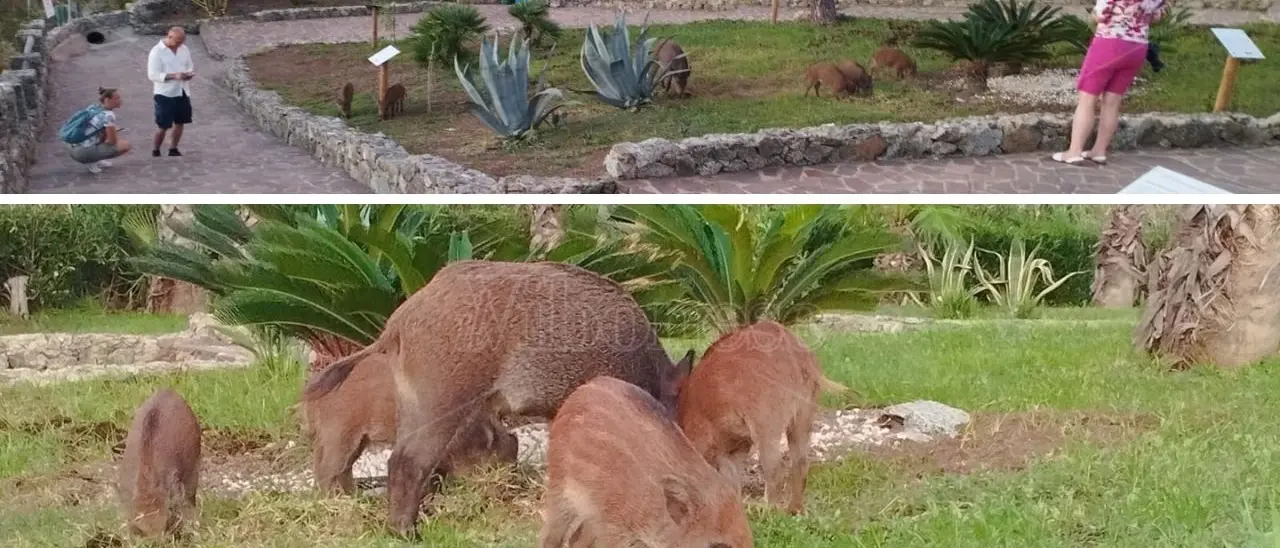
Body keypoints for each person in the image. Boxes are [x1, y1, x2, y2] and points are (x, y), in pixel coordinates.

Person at [1052, 0, 1166, 166]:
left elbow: (1100, 15)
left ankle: (1074, 151)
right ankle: (1099, 151)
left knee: (1087, 99)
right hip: (1137, 47)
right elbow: (1157, 16)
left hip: (1109, 44)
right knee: (1112, 102)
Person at [146, 26, 195, 158]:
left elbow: (189, 65)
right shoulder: (156, 52)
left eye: (182, 41)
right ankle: (156, 150)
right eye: (178, 41)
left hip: (182, 90)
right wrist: (174, 76)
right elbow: (153, 74)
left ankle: (173, 148)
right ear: (169, 36)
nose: (180, 44)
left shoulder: (184, 49)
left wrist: (188, 73)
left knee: (180, 122)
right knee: (163, 125)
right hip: (165, 94)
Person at [69, 87, 131, 174]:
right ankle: (91, 161)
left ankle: (95, 159)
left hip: (73, 148)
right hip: (82, 152)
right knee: (125, 145)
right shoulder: (109, 115)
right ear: (107, 100)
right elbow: (112, 141)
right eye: (117, 98)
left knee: (102, 138)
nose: (120, 100)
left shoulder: (94, 107)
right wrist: (113, 132)